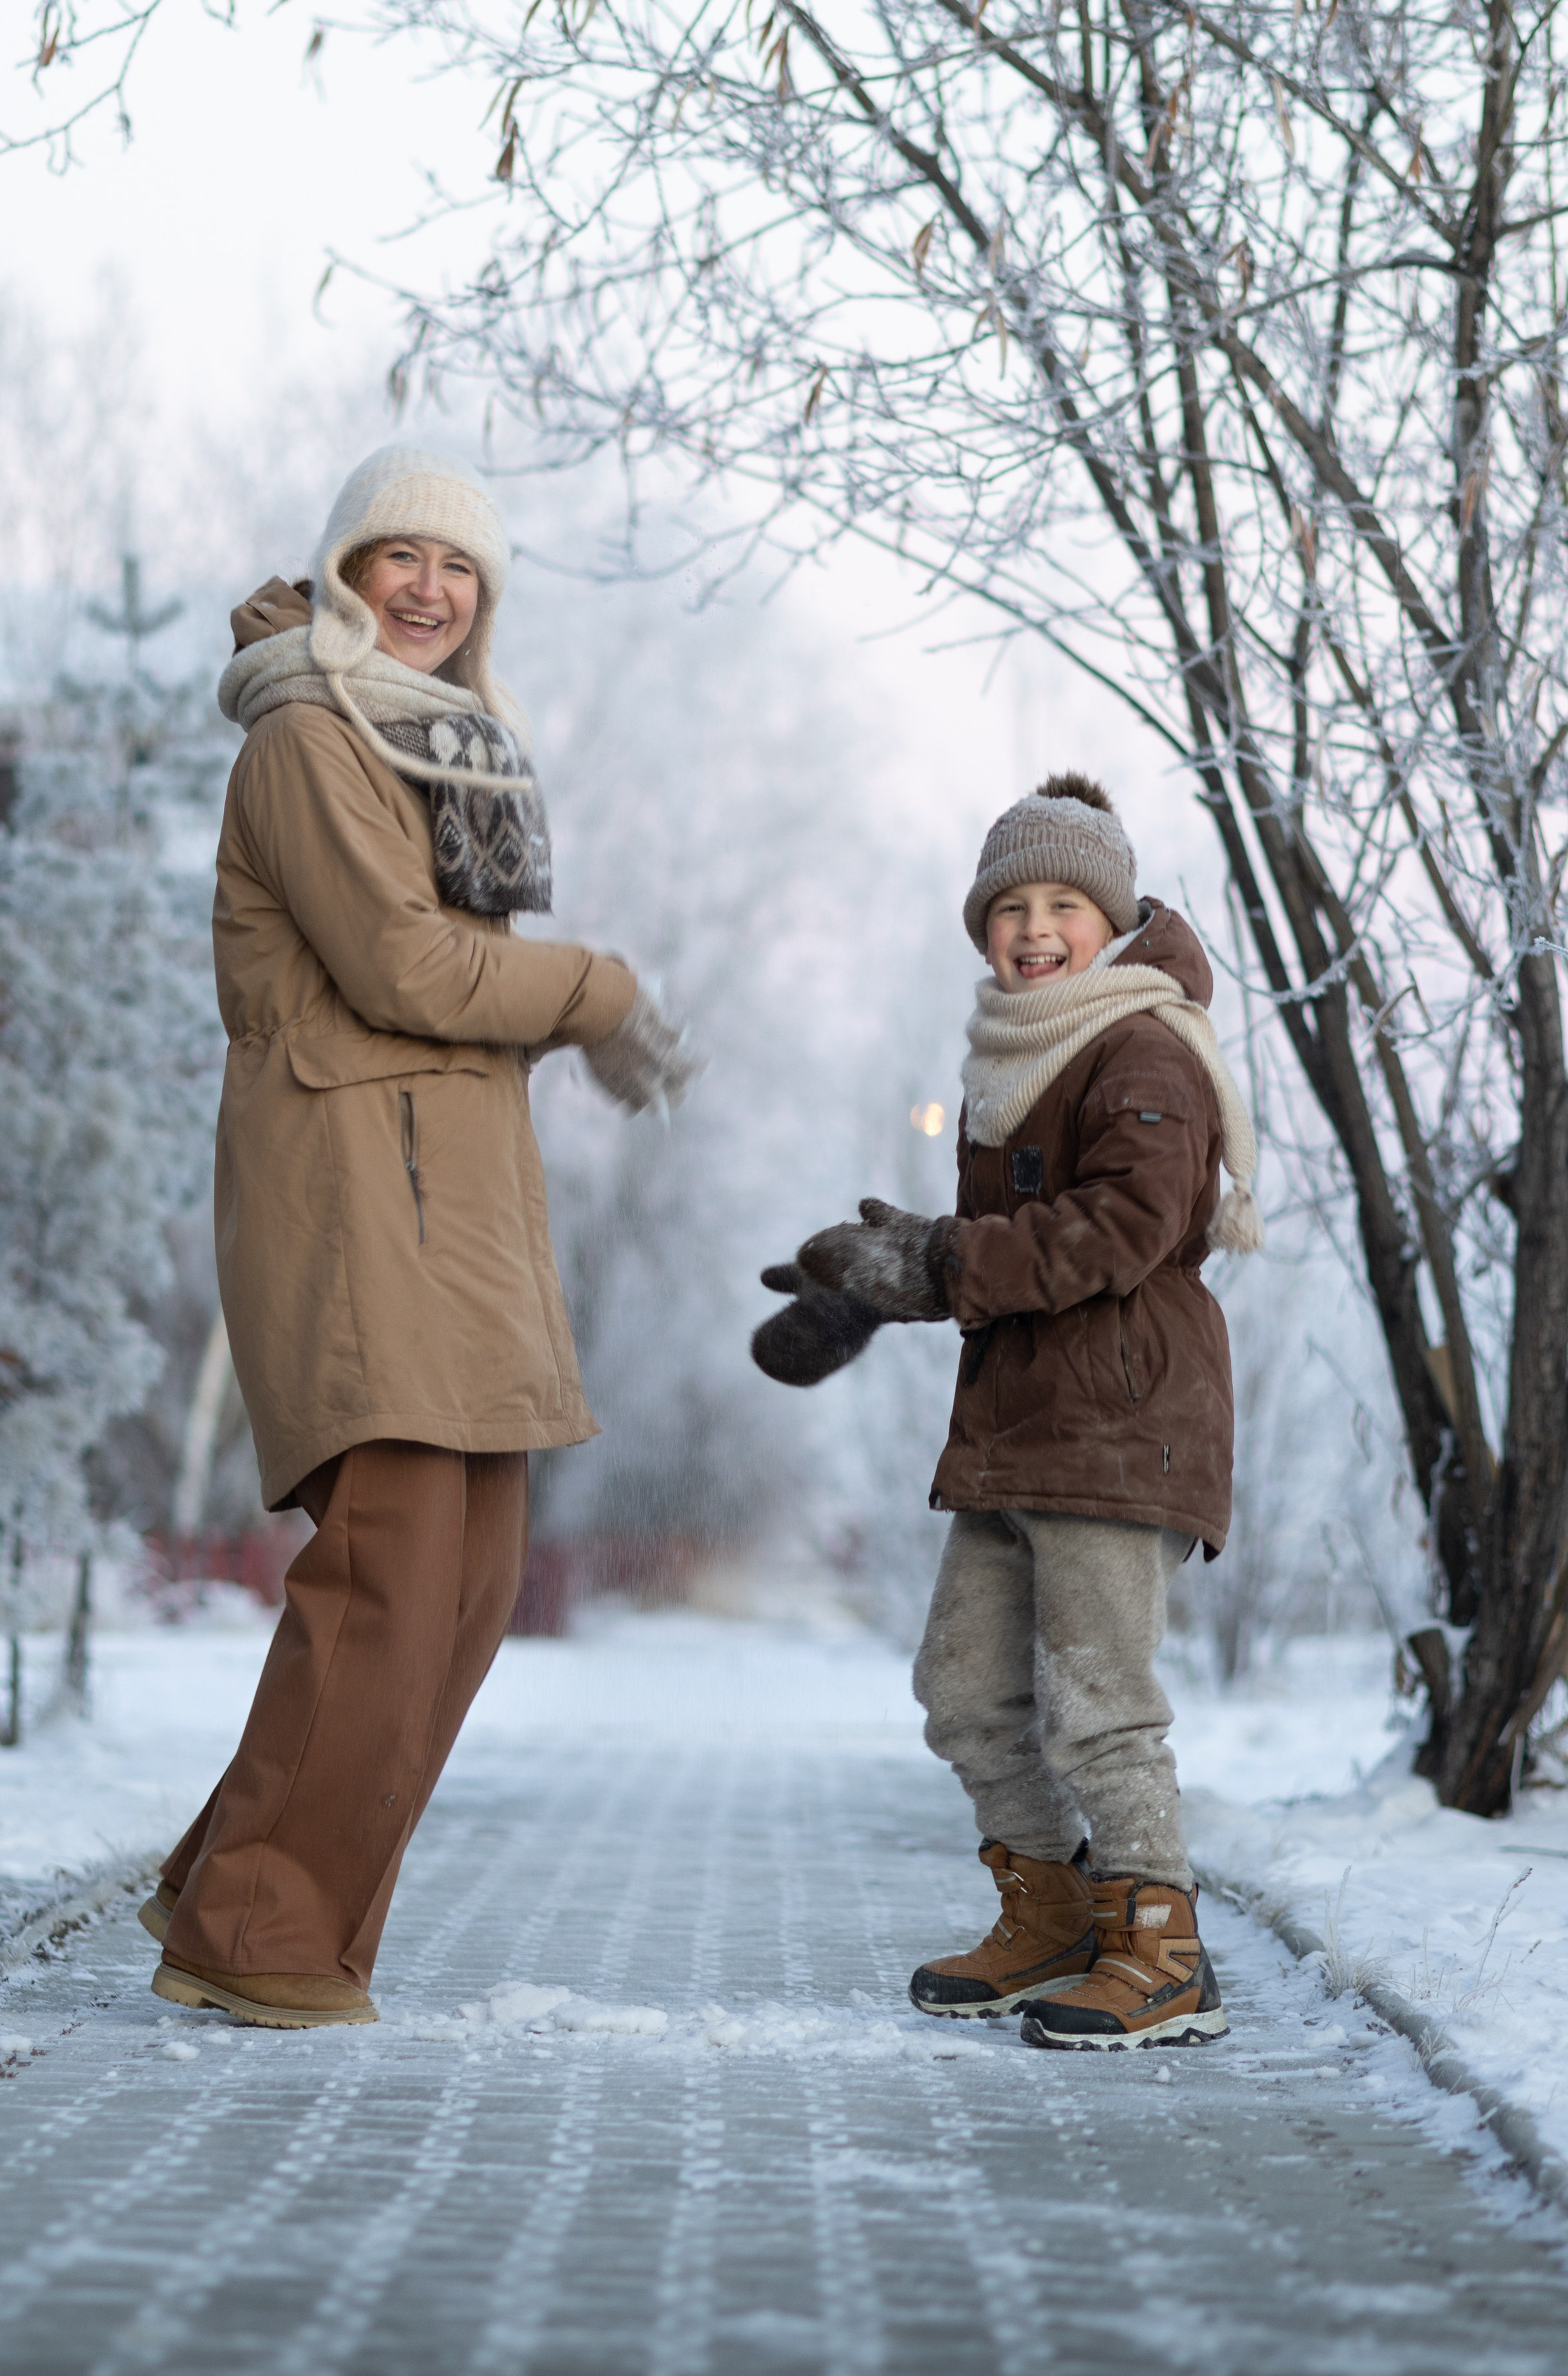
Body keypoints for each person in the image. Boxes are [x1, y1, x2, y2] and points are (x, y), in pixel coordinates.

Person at [145, 443, 697, 2030]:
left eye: (459, 570)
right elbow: (403, 967)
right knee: (390, 1568)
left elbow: (451, 988)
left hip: (458, 1209)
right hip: (350, 1192)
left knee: (468, 1586)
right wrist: (592, 992)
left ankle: (236, 1889)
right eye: (401, 558)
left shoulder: (453, 749)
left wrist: (565, 1019)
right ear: (344, 571)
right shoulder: (309, 738)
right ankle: (251, 1932)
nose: (430, 591)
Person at [757, 773, 1260, 2051]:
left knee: (1099, 1697)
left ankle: (1162, 1951)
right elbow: (1005, 1244)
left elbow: (1127, 1227)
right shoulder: (1019, 1058)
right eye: (1009, 908)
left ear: (1113, 918)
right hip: (1020, 1428)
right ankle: (1050, 1917)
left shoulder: (1144, 1047)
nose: (1034, 930)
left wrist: (937, 1263)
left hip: (1118, 1425)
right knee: (967, 1688)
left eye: (1062, 905)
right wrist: (867, 1292)